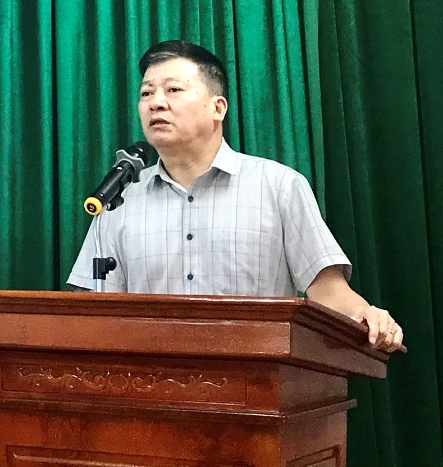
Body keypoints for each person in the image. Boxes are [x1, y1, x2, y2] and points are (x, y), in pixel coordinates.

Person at [67, 39, 403, 351]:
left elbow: (326, 289)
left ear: (218, 107)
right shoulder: (119, 201)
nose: (156, 102)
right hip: (149, 382)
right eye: (146, 93)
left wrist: (365, 313)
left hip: (257, 379)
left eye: (173, 90)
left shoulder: (279, 186)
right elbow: (96, 310)